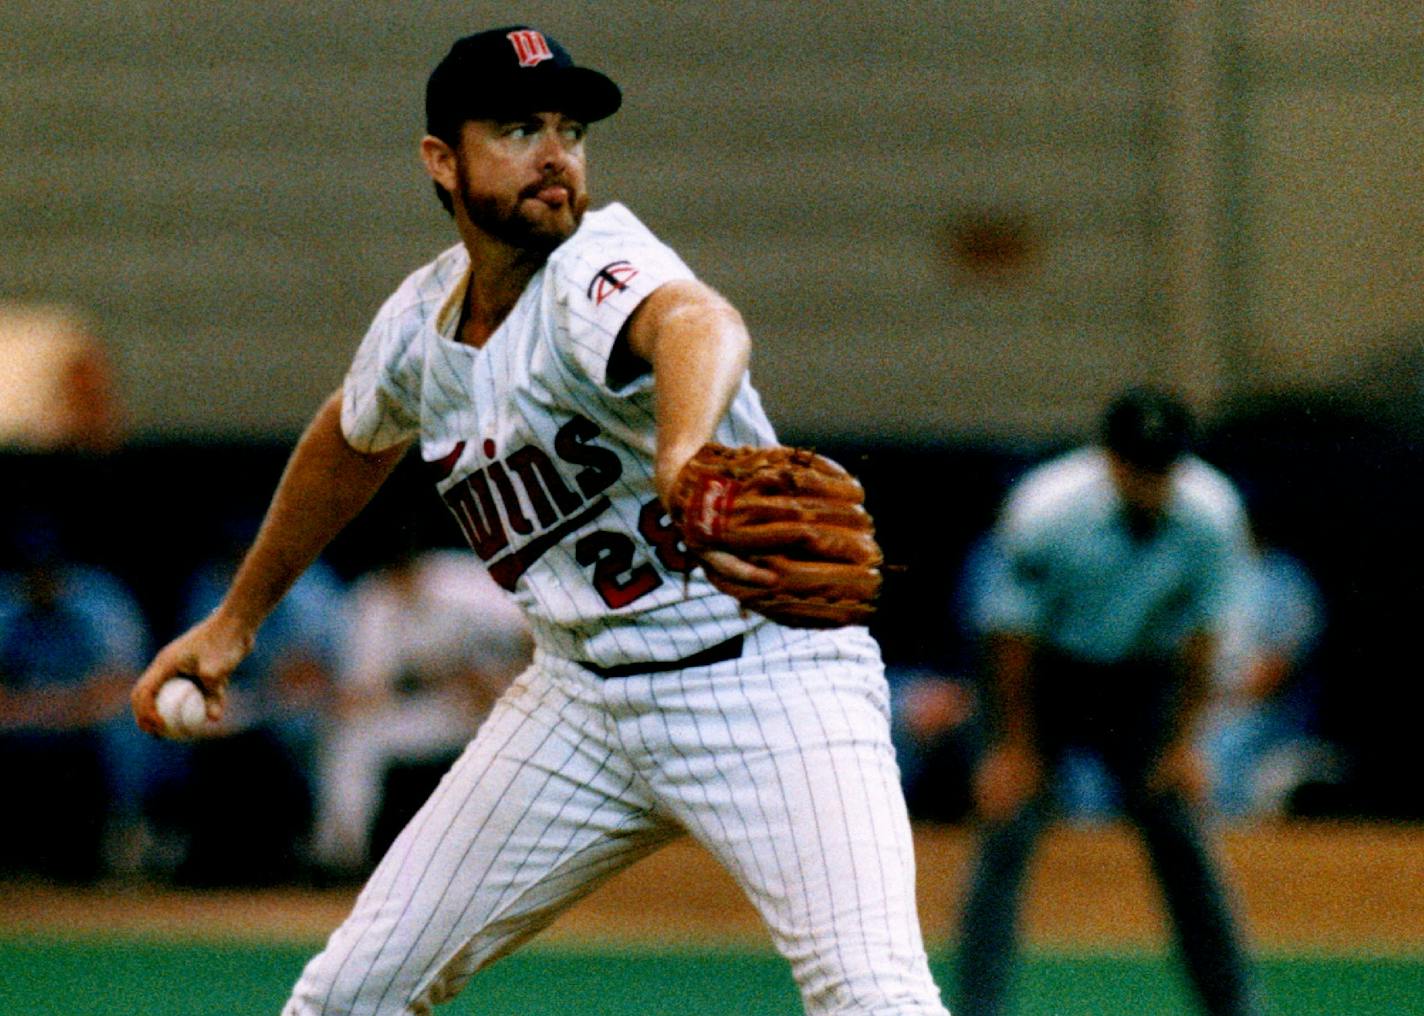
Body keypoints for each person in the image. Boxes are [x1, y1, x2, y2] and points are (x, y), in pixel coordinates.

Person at [132, 26, 949, 1016]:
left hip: (766, 686)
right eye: (518, 127)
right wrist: (235, 619)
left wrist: (683, 446)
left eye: (570, 128)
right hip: (578, 705)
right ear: (442, 159)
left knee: (874, 996)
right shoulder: (420, 320)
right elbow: (350, 441)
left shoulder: (592, 266)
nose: (555, 152)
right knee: (345, 995)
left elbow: (697, 320)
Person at [953, 387, 1260, 1016]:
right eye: (1136, 465)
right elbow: (1011, 636)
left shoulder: (1213, 514)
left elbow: (1204, 636)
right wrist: (1014, 750)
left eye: (1163, 467)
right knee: (1007, 831)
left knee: (1181, 833)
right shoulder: (1046, 509)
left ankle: (1236, 1007)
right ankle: (975, 1008)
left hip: (1143, 679)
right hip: (1047, 676)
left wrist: (1183, 745)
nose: (1150, 481)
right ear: (1109, 458)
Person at [312, 544, 532, 876]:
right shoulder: (373, 601)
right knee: (355, 738)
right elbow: (367, 692)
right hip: (438, 709)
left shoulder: (463, 581)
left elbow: (537, 635)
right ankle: (342, 857)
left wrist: (503, 682)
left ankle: (527, 857)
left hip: (510, 698)